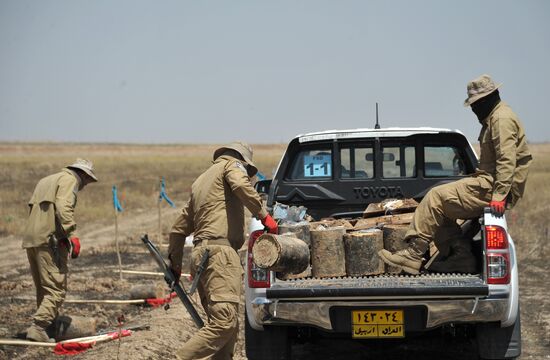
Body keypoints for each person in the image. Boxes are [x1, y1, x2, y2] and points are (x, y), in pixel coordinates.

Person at [378, 74, 532, 274]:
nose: (474, 110)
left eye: (475, 104)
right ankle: (461, 258)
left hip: (495, 187)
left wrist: (499, 196)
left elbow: (507, 160)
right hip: (490, 183)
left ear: (486, 100)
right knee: (441, 207)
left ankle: (413, 255)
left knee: (436, 197)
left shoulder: (501, 119)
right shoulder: (495, 118)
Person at [168, 141, 277, 360]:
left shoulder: (201, 181)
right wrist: (263, 214)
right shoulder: (232, 165)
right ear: (241, 160)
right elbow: (240, 185)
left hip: (202, 255)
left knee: (228, 329)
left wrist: (176, 264)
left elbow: (178, 229)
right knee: (224, 323)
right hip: (220, 254)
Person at [23, 159, 98, 342]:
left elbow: (38, 211)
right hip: (50, 241)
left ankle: (47, 327)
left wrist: (62, 235)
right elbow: (63, 207)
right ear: (83, 174)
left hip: (34, 239)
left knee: (44, 288)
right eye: (88, 180)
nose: (86, 184)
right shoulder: (69, 180)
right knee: (56, 290)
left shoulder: (46, 180)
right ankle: (39, 326)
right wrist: (71, 234)